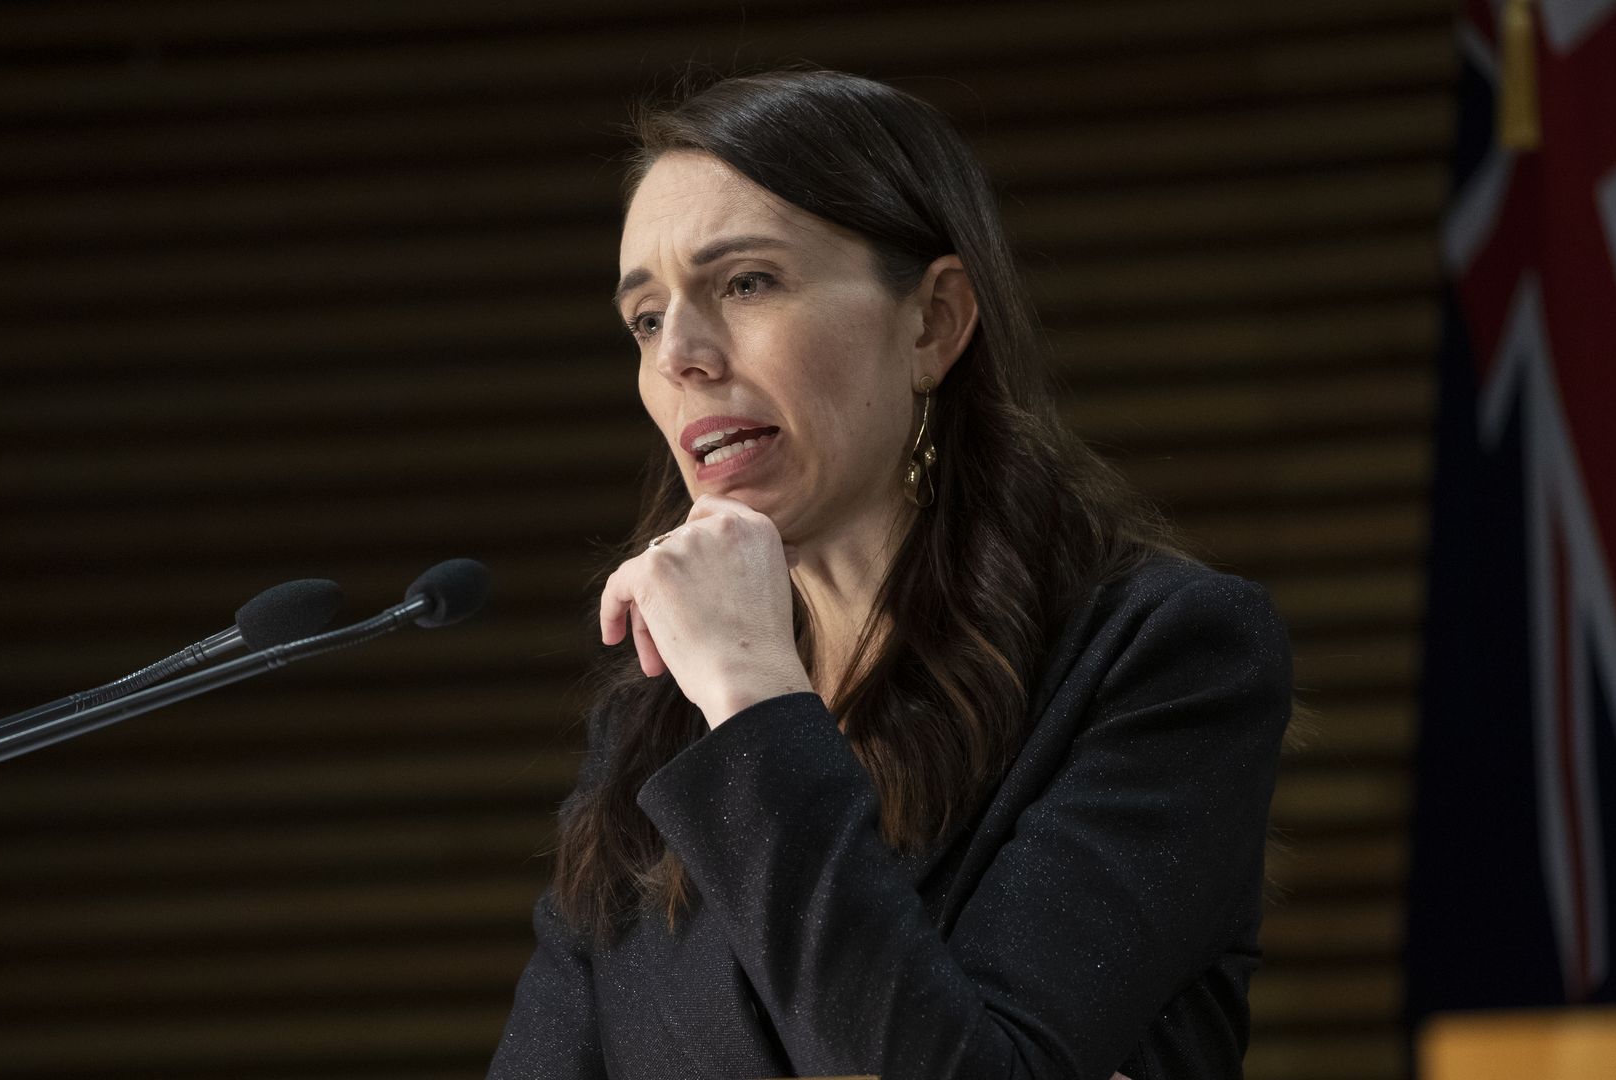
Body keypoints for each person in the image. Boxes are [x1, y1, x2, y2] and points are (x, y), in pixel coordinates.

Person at [487, 68, 1293, 1080]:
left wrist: (752, 696)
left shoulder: (1159, 658)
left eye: (747, 283)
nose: (680, 355)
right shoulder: (650, 733)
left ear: (933, 322)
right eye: (646, 318)